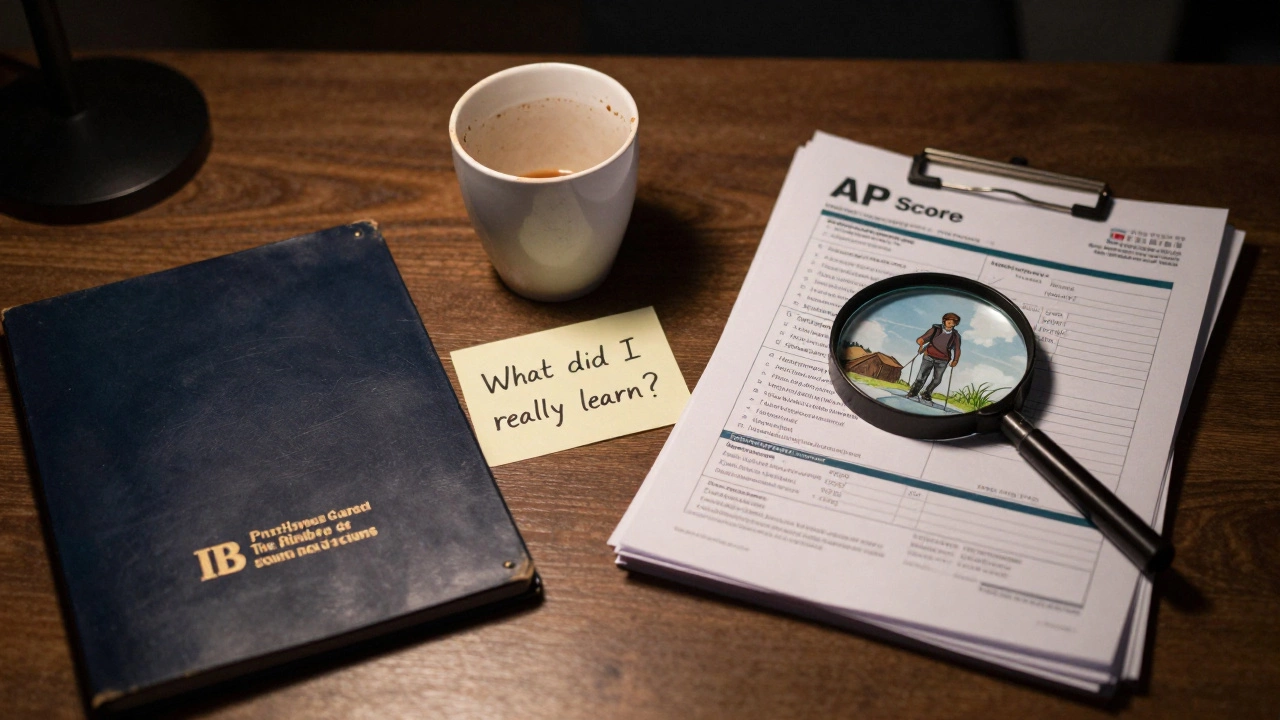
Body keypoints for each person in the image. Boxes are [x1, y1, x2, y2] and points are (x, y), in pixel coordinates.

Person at [906, 312, 961, 406]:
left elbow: (957, 348)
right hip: (929, 356)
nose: (951, 324)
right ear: (944, 321)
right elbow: (924, 337)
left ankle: (926, 393)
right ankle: (913, 393)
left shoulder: (955, 336)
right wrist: (921, 341)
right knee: (921, 377)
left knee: (937, 380)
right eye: (949, 322)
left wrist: (955, 360)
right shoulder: (935, 329)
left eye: (954, 323)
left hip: (943, 360)